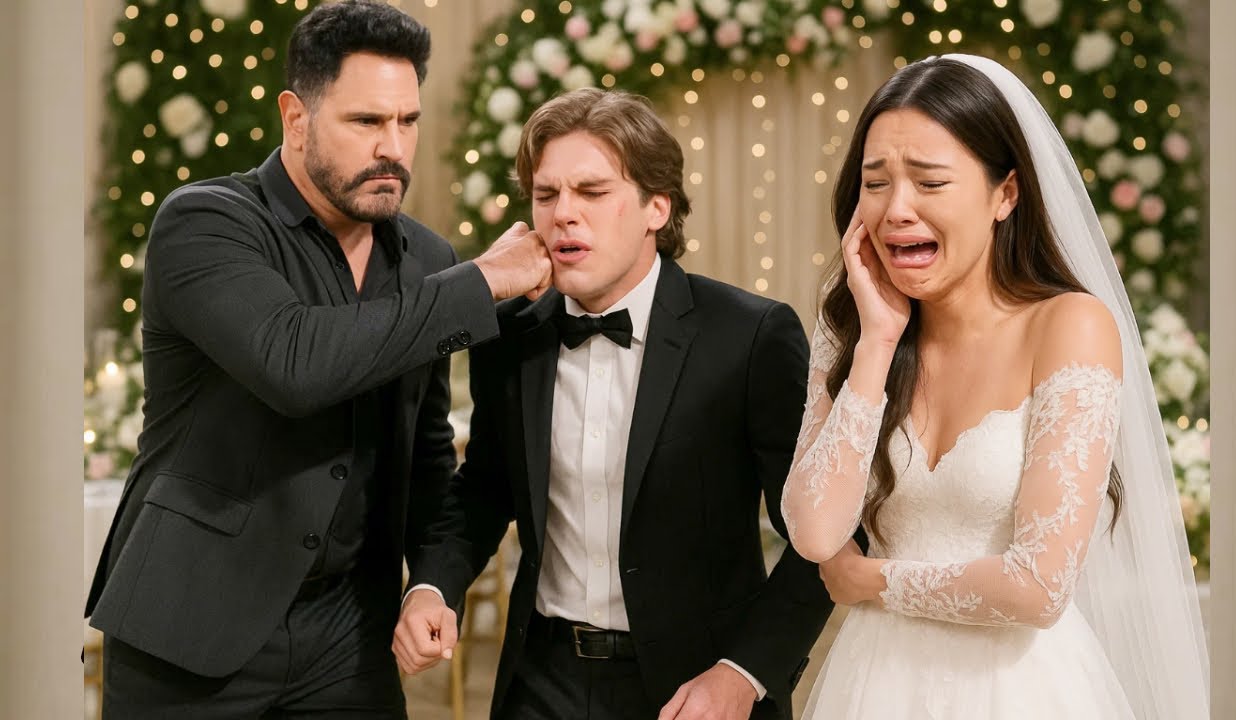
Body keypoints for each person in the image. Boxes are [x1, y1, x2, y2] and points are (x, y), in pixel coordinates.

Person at [84, 1, 550, 717]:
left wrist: (431, 583)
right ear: (295, 119)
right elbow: (294, 363)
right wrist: (482, 282)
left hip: (348, 638)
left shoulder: (427, 260)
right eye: (366, 122)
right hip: (191, 626)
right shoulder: (205, 222)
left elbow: (426, 455)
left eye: (408, 121)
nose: (393, 147)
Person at [780, 54, 1209, 719]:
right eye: (876, 182)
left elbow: (1039, 586)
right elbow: (813, 534)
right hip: (874, 685)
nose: (897, 210)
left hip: (1019, 690)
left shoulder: (1070, 326)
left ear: (1005, 194)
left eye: (930, 182)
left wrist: (873, 580)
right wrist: (877, 344)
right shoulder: (853, 329)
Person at [393, 88, 834, 720]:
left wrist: (744, 674)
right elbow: (485, 489)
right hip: (541, 682)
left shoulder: (750, 336)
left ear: (658, 206)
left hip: (697, 688)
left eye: (592, 192)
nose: (563, 215)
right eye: (546, 195)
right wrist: (432, 585)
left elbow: (820, 542)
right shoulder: (510, 334)